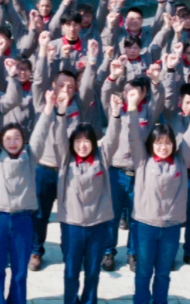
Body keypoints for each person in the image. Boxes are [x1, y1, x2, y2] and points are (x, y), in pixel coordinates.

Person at [121, 91, 190, 304]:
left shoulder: (181, 160)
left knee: (163, 273)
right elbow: (134, 135)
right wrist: (132, 106)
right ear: (151, 144)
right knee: (144, 272)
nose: (163, 147)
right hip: (145, 226)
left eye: (167, 143)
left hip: (171, 226)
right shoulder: (143, 161)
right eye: (158, 143)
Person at [46, 92, 113, 304]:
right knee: (71, 271)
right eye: (78, 141)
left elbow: (113, 138)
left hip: (98, 224)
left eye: (86, 141)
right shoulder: (66, 160)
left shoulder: (102, 159)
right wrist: (61, 111)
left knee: (92, 271)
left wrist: (116, 115)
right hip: (72, 225)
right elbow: (58, 138)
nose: (83, 145)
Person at [0, 102, 50, 304]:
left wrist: (48, 110)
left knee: (20, 271)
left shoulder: (30, 157)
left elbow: (40, 135)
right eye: (8, 138)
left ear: (23, 140)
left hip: (23, 220)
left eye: (17, 138)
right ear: (1, 141)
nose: (12, 142)